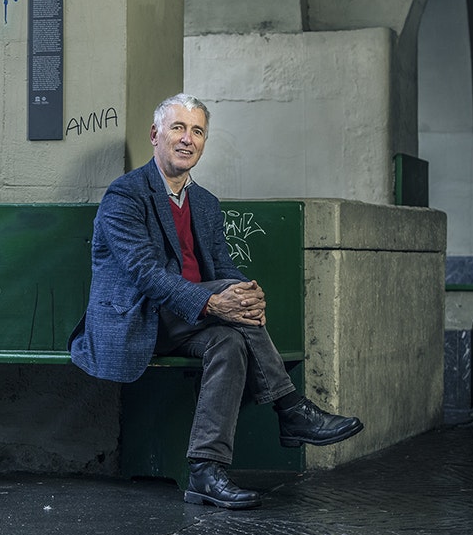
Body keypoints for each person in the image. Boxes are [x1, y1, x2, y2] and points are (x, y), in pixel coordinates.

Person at [68, 93, 363, 510]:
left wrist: (248, 292)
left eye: (198, 131)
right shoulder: (126, 196)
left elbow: (223, 265)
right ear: (155, 135)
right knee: (226, 309)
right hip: (136, 319)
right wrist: (214, 303)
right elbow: (147, 276)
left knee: (229, 339)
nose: (188, 139)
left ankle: (205, 470)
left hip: (187, 320)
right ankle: (290, 407)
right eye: (178, 128)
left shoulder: (204, 203)